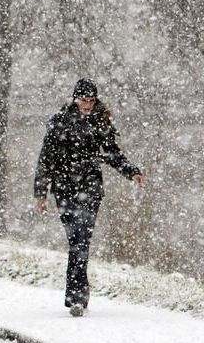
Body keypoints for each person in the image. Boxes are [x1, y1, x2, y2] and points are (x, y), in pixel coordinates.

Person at [34, 78, 145, 317]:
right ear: (75, 99)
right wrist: (41, 193)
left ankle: (76, 298)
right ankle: (77, 295)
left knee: (82, 240)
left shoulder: (100, 123)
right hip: (64, 189)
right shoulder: (59, 123)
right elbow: (46, 159)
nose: (88, 105)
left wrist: (131, 171)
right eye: (84, 100)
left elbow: (112, 153)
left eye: (91, 101)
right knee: (76, 240)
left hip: (91, 189)